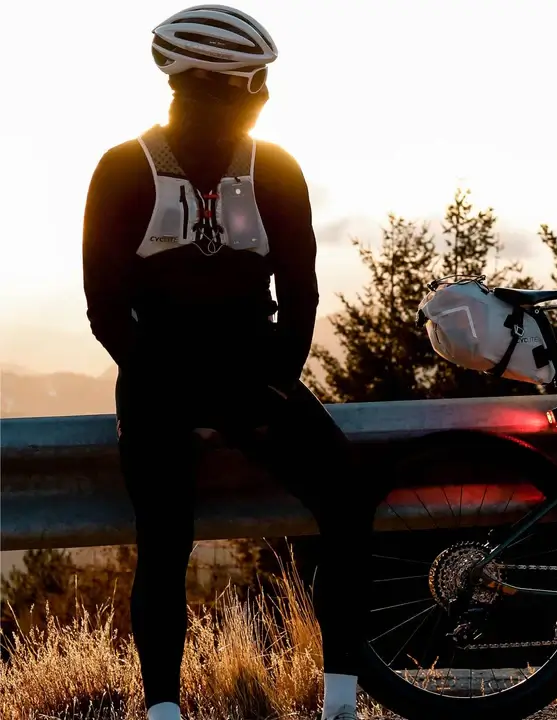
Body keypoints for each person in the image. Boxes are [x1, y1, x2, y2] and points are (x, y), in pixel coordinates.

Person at [81, 6, 365, 720]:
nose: (263, 94)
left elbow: (106, 309)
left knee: (165, 540)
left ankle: (166, 710)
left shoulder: (123, 168)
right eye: (258, 82)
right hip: (238, 377)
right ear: (236, 87)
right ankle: (339, 701)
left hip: (163, 381)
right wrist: (272, 385)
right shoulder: (269, 167)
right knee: (345, 500)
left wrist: (167, 385)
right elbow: (298, 294)